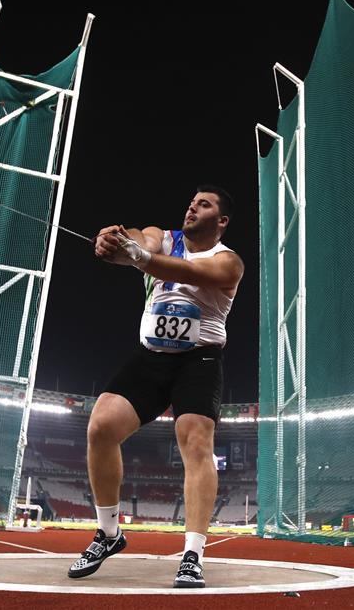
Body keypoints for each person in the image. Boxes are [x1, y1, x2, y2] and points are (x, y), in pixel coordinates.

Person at [68, 185, 244, 589]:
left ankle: (192, 556)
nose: (192, 206)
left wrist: (141, 259)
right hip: (151, 357)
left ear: (221, 221)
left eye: (204, 204)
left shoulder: (228, 261)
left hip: (198, 360)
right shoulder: (162, 238)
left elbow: (183, 271)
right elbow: (139, 237)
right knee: (101, 427)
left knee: (196, 441)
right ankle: (109, 534)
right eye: (191, 201)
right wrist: (116, 240)